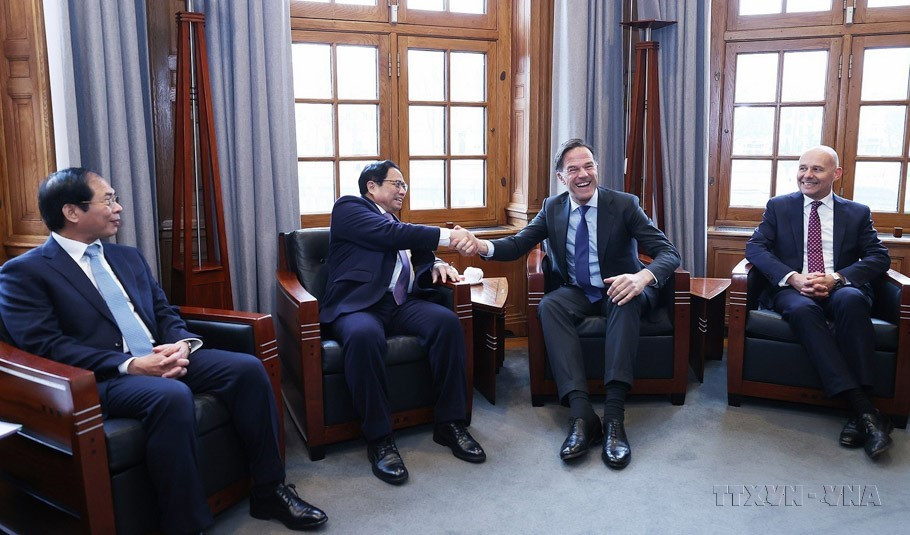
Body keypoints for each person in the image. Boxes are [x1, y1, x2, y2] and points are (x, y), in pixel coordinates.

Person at [0, 168, 327, 534]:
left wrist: (182, 344)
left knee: (247, 370)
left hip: (161, 354)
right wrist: (131, 365)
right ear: (72, 212)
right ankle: (186, 524)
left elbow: (163, 311)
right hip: (100, 379)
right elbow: (45, 346)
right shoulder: (24, 273)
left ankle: (269, 490)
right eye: (108, 200)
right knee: (169, 396)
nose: (119, 207)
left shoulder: (126, 257)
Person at [454, 139, 680, 469]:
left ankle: (614, 419)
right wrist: (480, 246)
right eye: (573, 169)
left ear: (597, 169)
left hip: (620, 286)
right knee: (550, 305)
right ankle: (582, 416)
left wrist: (642, 278)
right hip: (577, 290)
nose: (583, 174)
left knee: (624, 300)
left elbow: (669, 253)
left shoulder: (625, 205)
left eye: (588, 166)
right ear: (562, 178)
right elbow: (518, 244)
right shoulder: (553, 208)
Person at [320, 160, 486, 485]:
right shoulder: (349, 209)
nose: (402, 190)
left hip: (399, 304)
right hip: (358, 307)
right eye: (396, 183)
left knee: (447, 324)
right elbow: (390, 234)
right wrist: (449, 236)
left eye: (404, 186)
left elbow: (416, 250)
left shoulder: (398, 223)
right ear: (372, 186)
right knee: (364, 337)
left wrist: (437, 262)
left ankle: (450, 424)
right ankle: (380, 440)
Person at [745, 145, 893, 460]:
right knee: (803, 309)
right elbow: (756, 248)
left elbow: (879, 256)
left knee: (852, 300)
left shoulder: (856, 212)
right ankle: (865, 410)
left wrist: (837, 278)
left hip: (839, 285)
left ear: (835, 174)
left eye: (817, 169)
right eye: (803, 168)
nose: (807, 175)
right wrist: (793, 277)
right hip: (793, 288)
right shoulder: (778, 207)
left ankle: (860, 413)